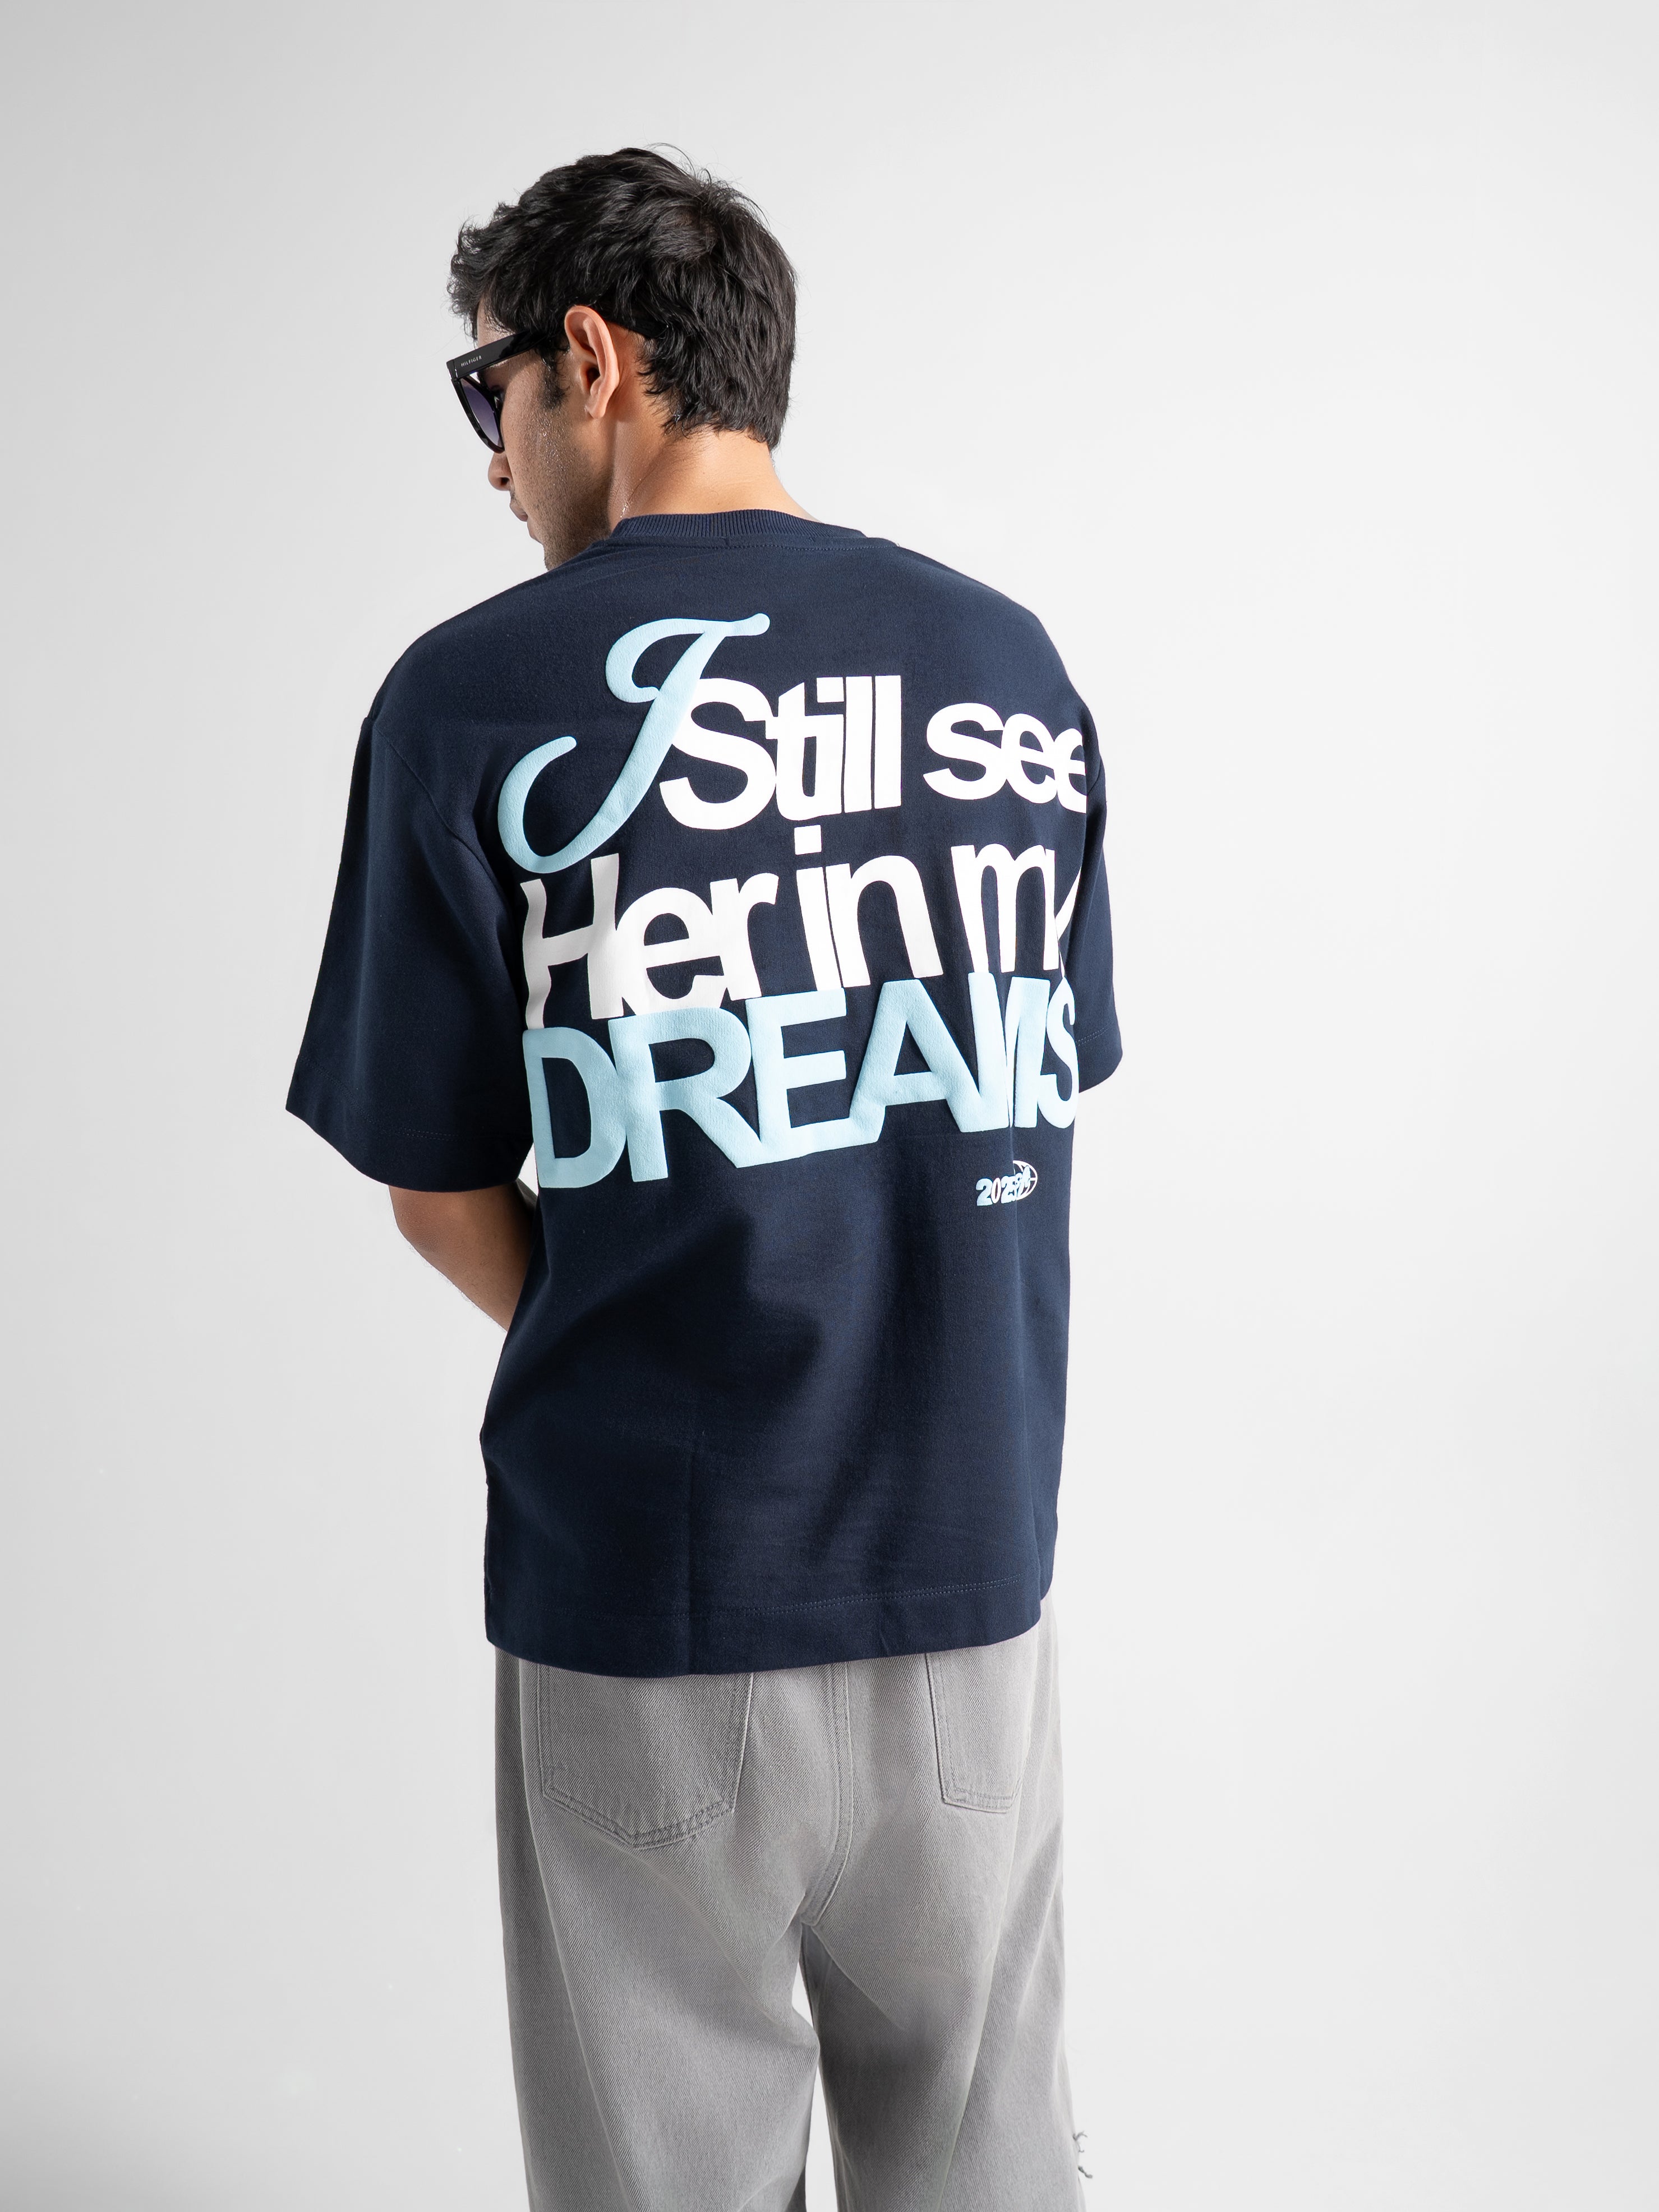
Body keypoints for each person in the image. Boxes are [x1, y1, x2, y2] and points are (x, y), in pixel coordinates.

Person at [288, 145, 1120, 2212]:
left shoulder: (473, 696)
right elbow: (1013, 1103)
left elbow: (436, 1187)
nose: (492, 460)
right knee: (991, 2169)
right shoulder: (1009, 672)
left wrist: (645, 1316)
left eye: (489, 392)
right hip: (966, 1591)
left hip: (646, 1599)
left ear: (592, 360)